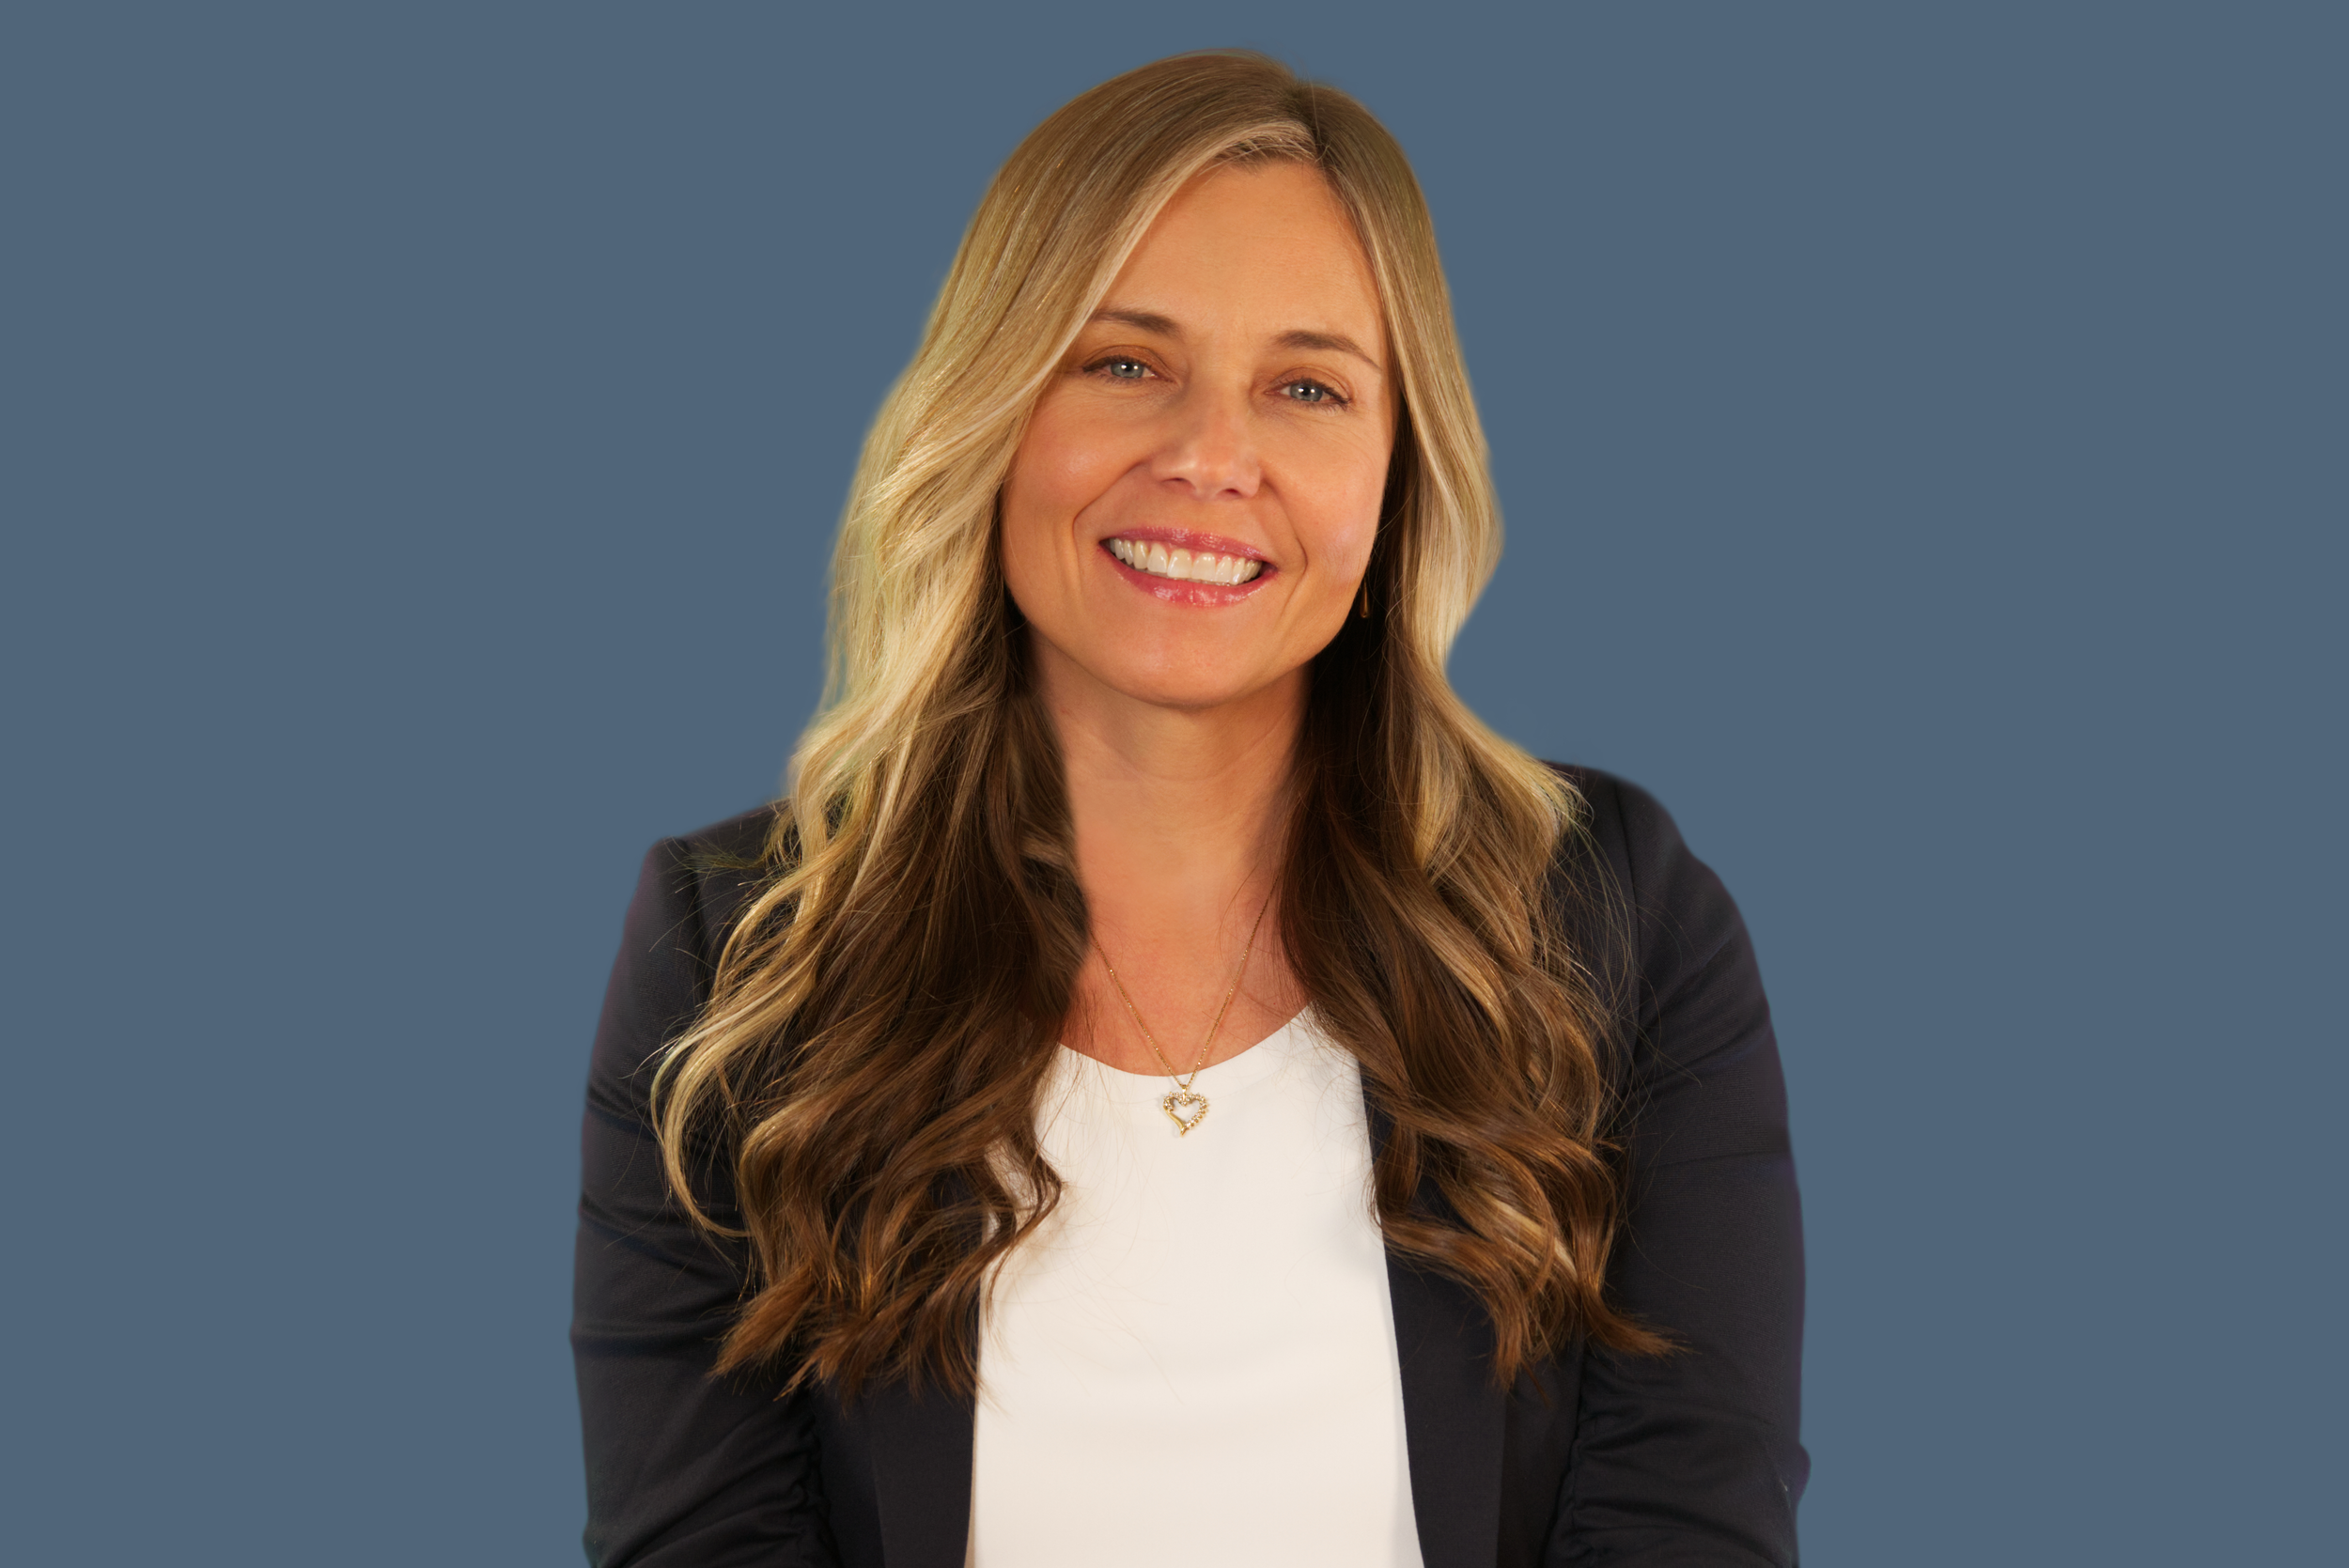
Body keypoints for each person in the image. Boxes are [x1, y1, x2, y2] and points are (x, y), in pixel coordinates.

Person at [572, 50, 1804, 1568]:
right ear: (994, 413)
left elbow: (1689, 1524)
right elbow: (701, 1540)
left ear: (1396, 473)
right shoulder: (738, 951)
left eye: (1307, 388)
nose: (1211, 460)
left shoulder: (1619, 919)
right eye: (1124, 362)